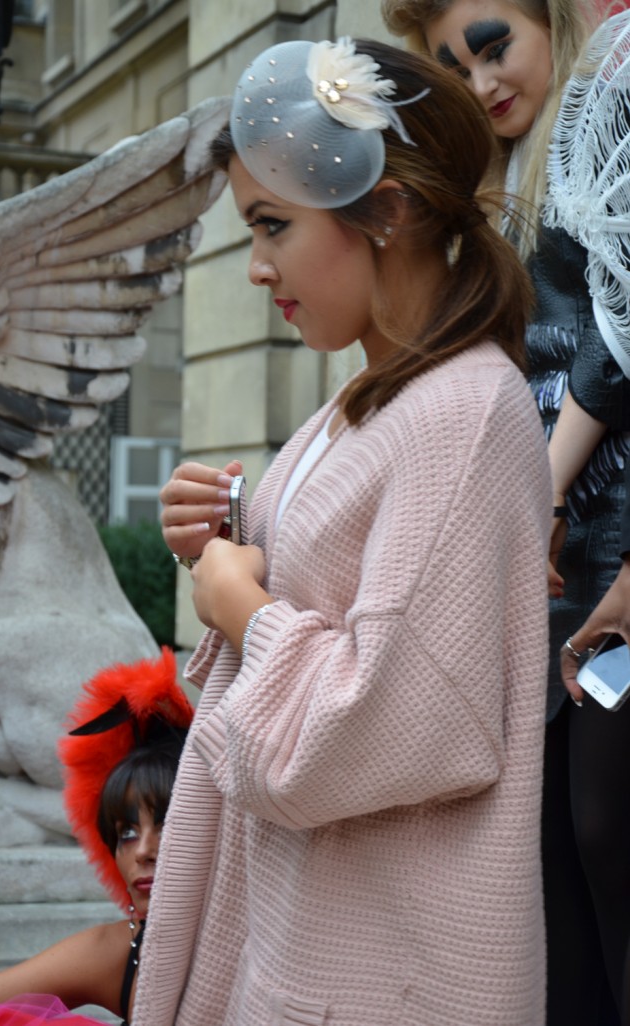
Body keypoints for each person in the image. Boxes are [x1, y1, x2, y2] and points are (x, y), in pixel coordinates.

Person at [130, 37, 551, 1026]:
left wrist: (241, 605)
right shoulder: (364, 404)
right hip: (313, 928)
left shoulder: (459, 413)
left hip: (380, 963)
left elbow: (392, 719)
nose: (255, 267)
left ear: (389, 209)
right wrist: (224, 537)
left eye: (271, 225)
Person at [380, 3, 630, 1022]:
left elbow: (616, 340)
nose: (478, 81)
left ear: (550, 26)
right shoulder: (497, 194)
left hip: (603, 555)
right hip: (543, 572)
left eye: (493, 45)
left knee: (605, 834)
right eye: (450, 65)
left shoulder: (598, 124)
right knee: (549, 860)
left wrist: (541, 488)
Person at [0, 647, 193, 1026]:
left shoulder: (270, 932)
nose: (143, 851)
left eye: (169, 824)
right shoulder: (116, 952)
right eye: (126, 833)